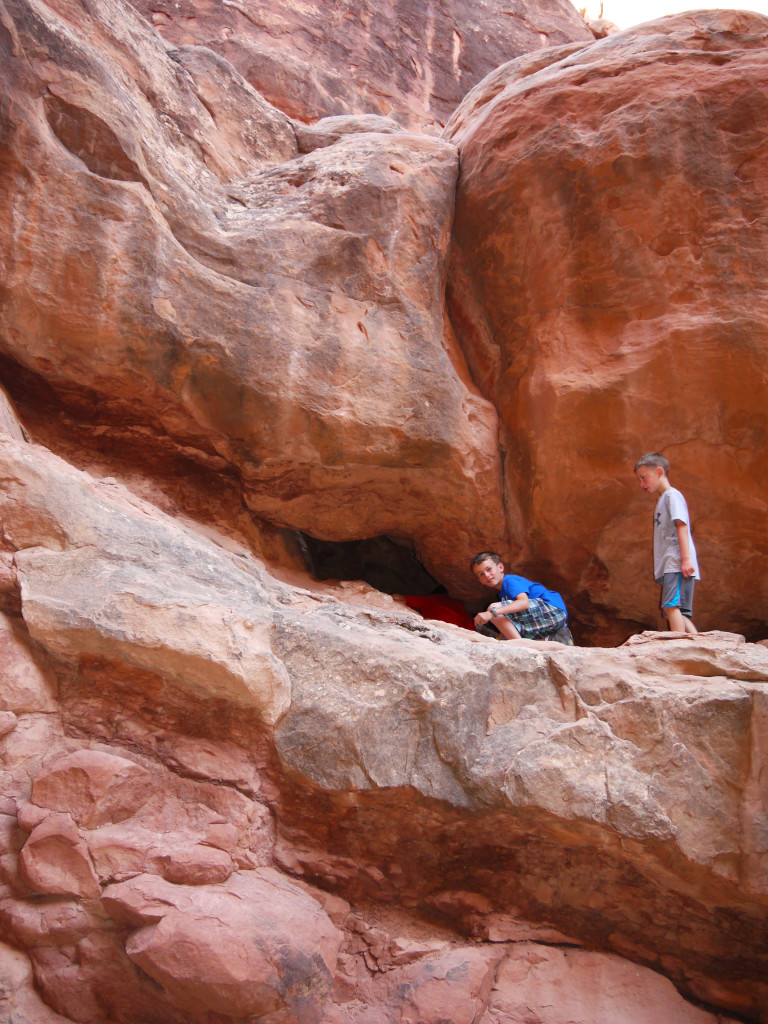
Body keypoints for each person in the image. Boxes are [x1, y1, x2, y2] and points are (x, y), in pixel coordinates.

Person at [634, 452, 699, 634]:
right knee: (676, 611)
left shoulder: (672, 496)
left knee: (671, 606)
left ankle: (676, 645)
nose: (642, 484)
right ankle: (700, 642)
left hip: (676, 561)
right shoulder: (663, 499)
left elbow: (682, 526)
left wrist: (685, 560)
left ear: (659, 472)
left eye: (644, 478)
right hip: (671, 563)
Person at [471, 552, 574, 644]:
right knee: (507, 637)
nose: (487, 575)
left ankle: (520, 645)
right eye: (481, 574)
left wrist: (491, 613)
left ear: (500, 567)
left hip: (550, 607)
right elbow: (507, 625)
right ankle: (554, 640)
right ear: (480, 581)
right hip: (551, 620)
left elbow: (524, 603)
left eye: (489, 569)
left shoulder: (510, 581)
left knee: (493, 609)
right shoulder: (502, 596)